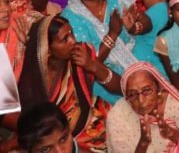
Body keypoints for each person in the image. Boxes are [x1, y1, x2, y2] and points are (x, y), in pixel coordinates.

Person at [18, 14, 115, 151]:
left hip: (102, 121)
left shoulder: (81, 53)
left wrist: (92, 65)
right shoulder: (34, 81)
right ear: (48, 49)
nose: (73, 41)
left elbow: (118, 86)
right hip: (64, 142)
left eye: (71, 33)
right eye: (64, 39)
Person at [105, 62, 179, 153]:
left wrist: (171, 133)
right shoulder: (118, 116)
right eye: (132, 94)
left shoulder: (174, 103)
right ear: (126, 96)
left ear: (158, 87)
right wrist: (143, 142)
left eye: (147, 90)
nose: (141, 100)